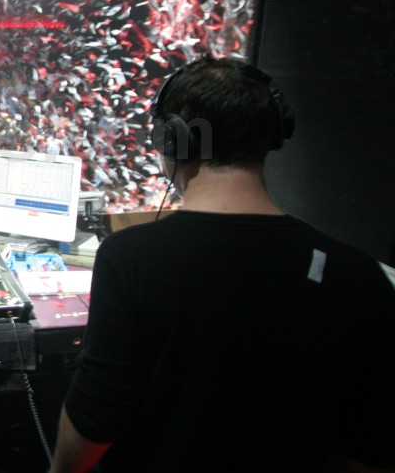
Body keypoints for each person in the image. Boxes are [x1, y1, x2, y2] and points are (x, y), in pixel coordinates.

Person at [50, 56, 395, 473]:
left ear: (175, 140)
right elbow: (368, 446)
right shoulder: (358, 274)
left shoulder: (130, 258)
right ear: (274, 135)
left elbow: (96, 419)